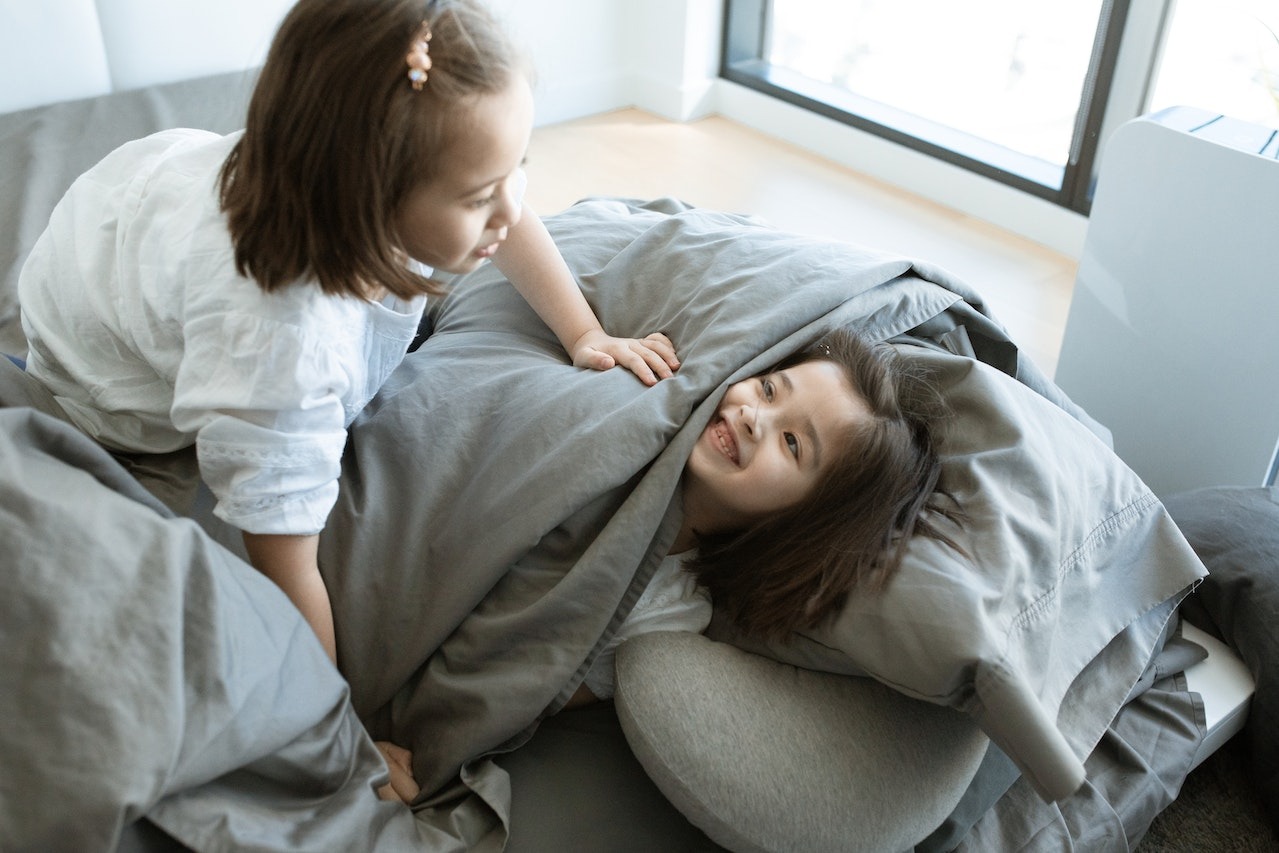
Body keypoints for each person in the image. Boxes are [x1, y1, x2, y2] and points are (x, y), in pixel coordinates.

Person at [16, 0, 678, 677]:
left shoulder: (343, 180)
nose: (511, 208)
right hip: (102, 371)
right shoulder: (281, 346)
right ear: (367, 193)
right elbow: (285, 557)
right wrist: (337, 717)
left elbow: (508, 213)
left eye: (519, 167)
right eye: (480, 197)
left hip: (134, 206)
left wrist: (583, 330)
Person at [571, 326, 963, 705]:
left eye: (792, 444)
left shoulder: (671, 608)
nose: (753, 417)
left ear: (807, 516)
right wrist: (587, 335)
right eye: (769, 390)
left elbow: (549, 685)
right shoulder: (639, 402)